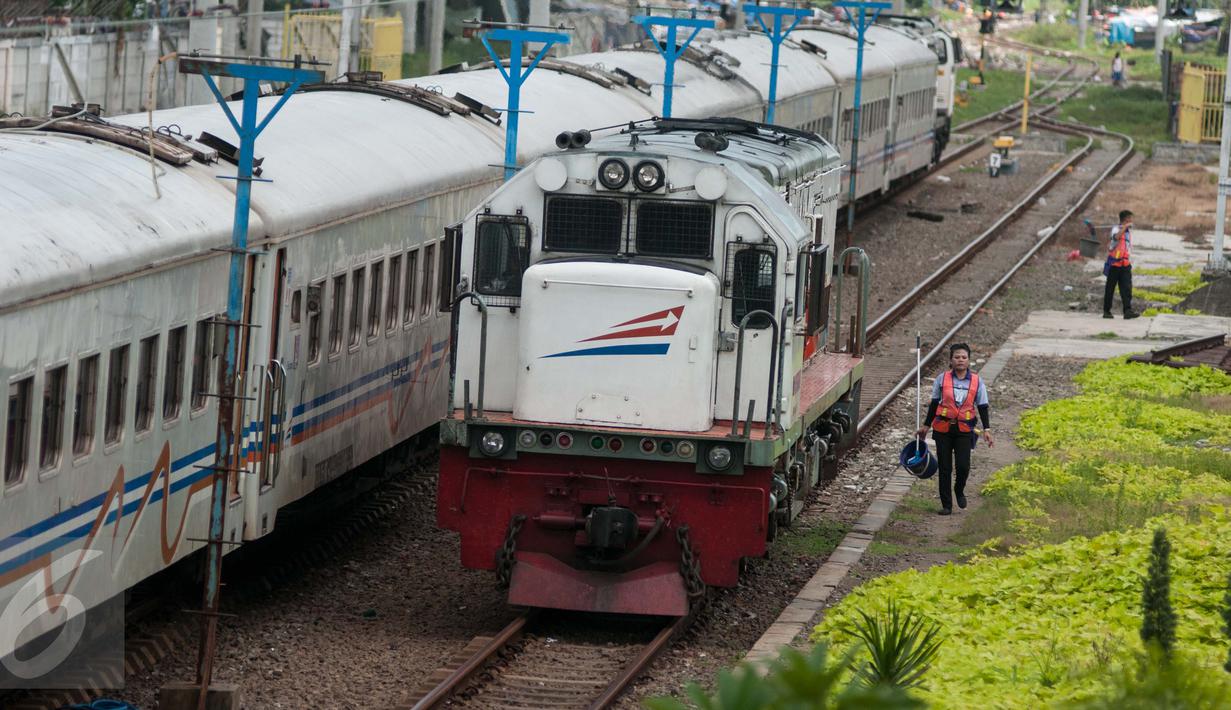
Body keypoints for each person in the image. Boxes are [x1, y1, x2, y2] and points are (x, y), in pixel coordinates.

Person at [915, 344, 992, 515]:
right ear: (951, 360)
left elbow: (983, 406)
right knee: (944, 467)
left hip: (964, 430)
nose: (960, 360)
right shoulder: (941, 379)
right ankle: (947, 505)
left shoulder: (977, 381)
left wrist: (986, 429)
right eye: (957, 357)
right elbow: (934, 404)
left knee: (963, 466)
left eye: (964, 357)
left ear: (968, 360)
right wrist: (926, 426)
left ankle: (959, 489)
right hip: (943, 429)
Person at [1104, 209, 1138, 319]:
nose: (1132, 221)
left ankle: (1127, 311)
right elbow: (1116, 237)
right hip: (1114, 264)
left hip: (1125, 264)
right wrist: (1124, 228)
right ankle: (1106, 311)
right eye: (1130, 218)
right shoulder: (1116, 229)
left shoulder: (1128, 232)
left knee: (1127, 288)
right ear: (1126, 219)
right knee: (1110, 288)